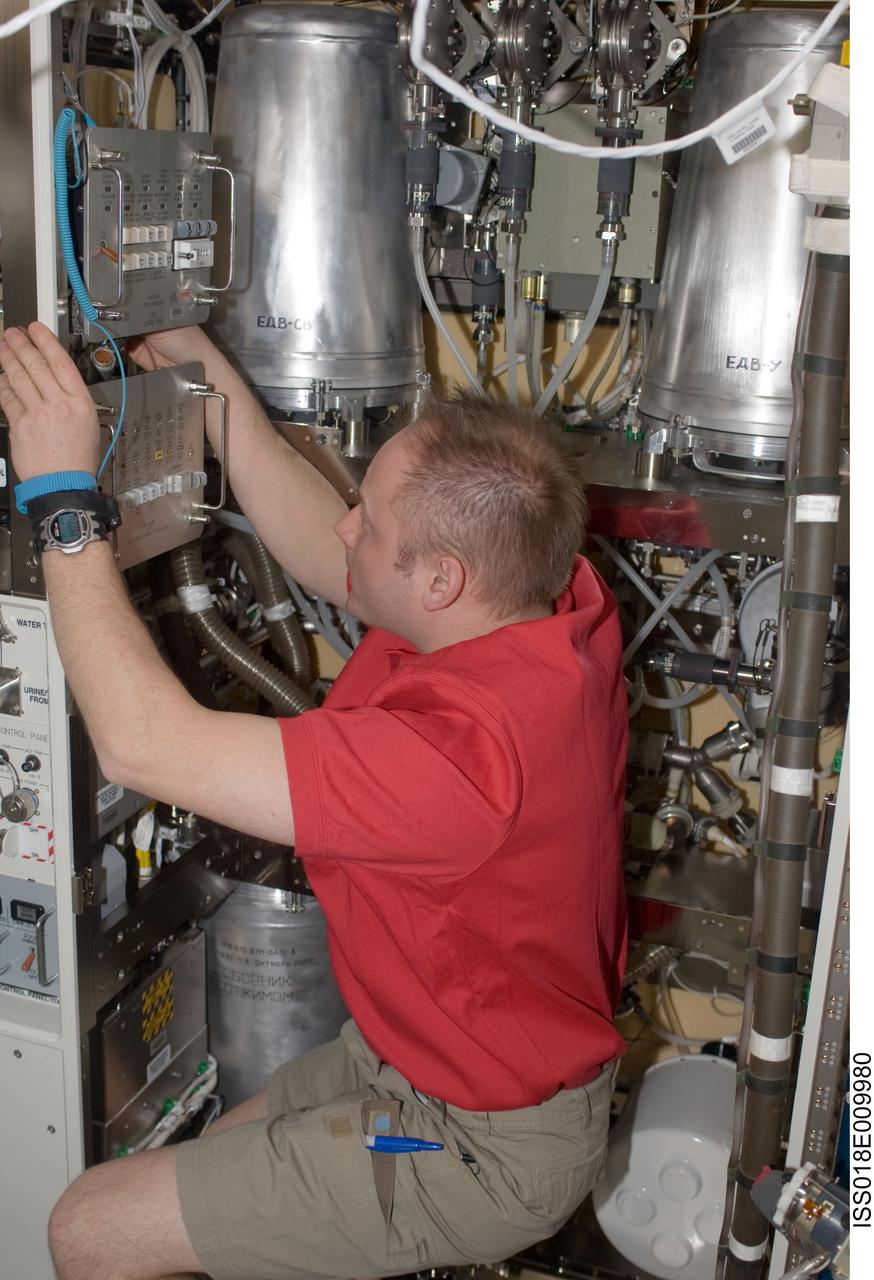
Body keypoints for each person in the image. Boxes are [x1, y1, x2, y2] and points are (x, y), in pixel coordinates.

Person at [0, 320, 628, 1280]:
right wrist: (213, 388)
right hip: (420, 1061)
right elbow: (339, 559)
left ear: (442, 579)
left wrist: (60, 496)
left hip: (477, 1147)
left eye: (367, 519)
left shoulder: (457, 766)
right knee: (205, 1161)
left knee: (92, 1228)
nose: (346, 525)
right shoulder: (542, 608)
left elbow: (143, 745)